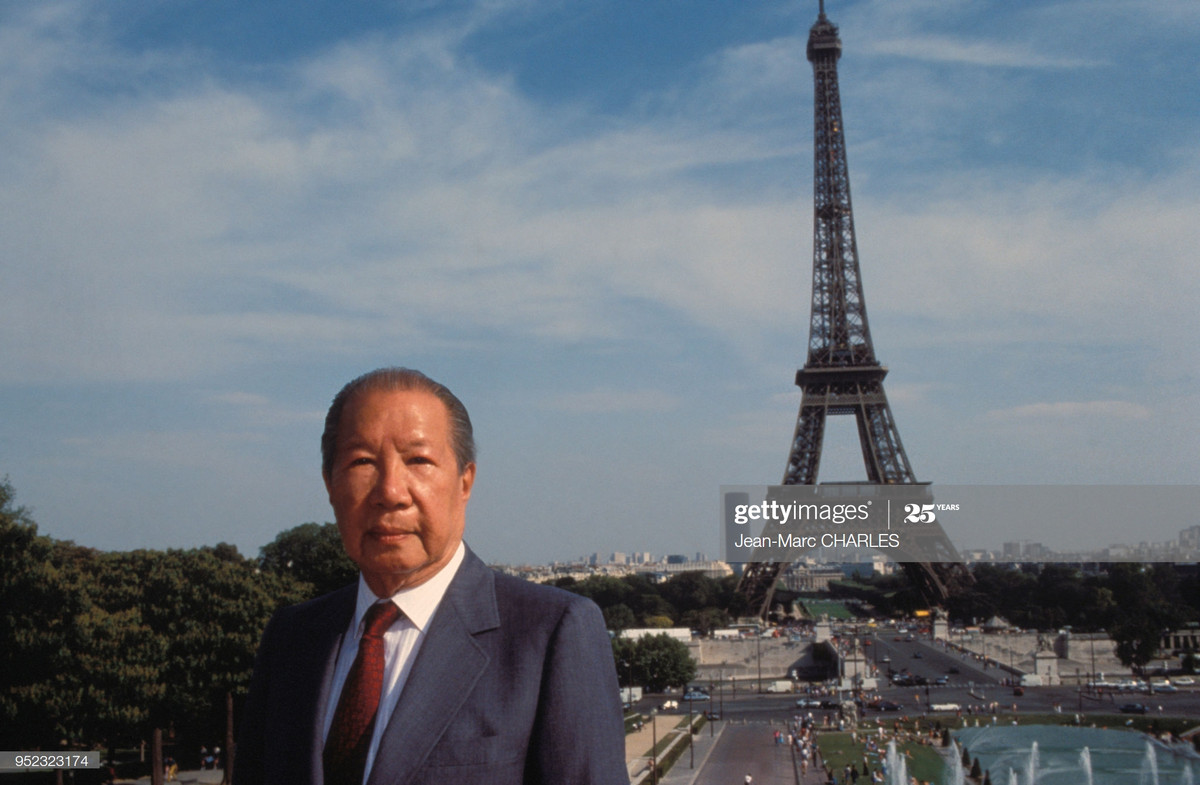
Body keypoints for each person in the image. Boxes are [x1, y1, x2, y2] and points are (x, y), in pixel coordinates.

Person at [233, 368, 628, 785]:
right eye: (362, 462)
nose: (391, 492)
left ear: (464, 482)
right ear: (330, 484)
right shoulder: (291, 639)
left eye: (418, 461)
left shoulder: (549, 635)